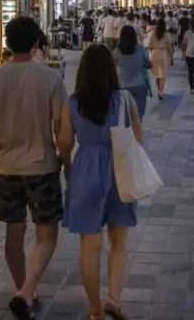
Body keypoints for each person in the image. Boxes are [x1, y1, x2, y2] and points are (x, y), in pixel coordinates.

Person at [0, 17, 68, 320]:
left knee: (14, 230)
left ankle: (24, 289)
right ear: (35, 43)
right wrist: (64, 160)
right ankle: (26, 292)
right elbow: (60, 126)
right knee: (47, 234)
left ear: (7, 43)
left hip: (5, 168)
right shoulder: (50, 78)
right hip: (42, 166)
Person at [56, 45, 141, 320]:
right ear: (111, 70)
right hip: (119, 170)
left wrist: (68, 167)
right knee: (118, 242)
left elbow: (65, 143)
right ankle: (113, 299)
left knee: (89, 248)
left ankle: (94, 308)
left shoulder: (72, 103)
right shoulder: (124, 99)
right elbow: (138, 138)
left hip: (85, 171)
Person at [113, 25, 151, 118]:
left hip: (122, 85)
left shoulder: (117, 51)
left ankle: (128, 126)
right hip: (139, 84)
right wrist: (142, 65)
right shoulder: (140, 49)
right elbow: (149, 64)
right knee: (139, 114)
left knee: (125, 114)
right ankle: (137, 126)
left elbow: (113, 65)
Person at [146, 18, 173, 100]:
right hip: (163, 54)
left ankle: (159, 91)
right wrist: (171, 58)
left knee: (157, 75)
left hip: (154, 54)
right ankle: (160, 92)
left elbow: (149, 46)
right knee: (163, 75)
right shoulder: (166, 35)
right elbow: (169, 47)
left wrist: (152, 53)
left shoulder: (152, 34)